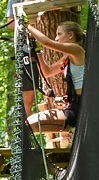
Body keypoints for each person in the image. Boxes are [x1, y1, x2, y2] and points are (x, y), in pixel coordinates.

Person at [25, 20, 85, 149]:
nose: (56, 38)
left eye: (59, 34)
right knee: (30, 124)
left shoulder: (77, 50)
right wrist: (37, 51)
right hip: (73, 105)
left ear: (70, 35)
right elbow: (47, 72)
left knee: (31, 123)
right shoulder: (69, 56)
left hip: (80, 107)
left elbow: (47, 42)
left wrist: (26, 25)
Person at [5, 0, 42, 118]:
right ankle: (27, 134)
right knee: (28, 96)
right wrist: (27, 25)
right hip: (27, 49)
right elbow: (10, 23)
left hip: (49, 45)